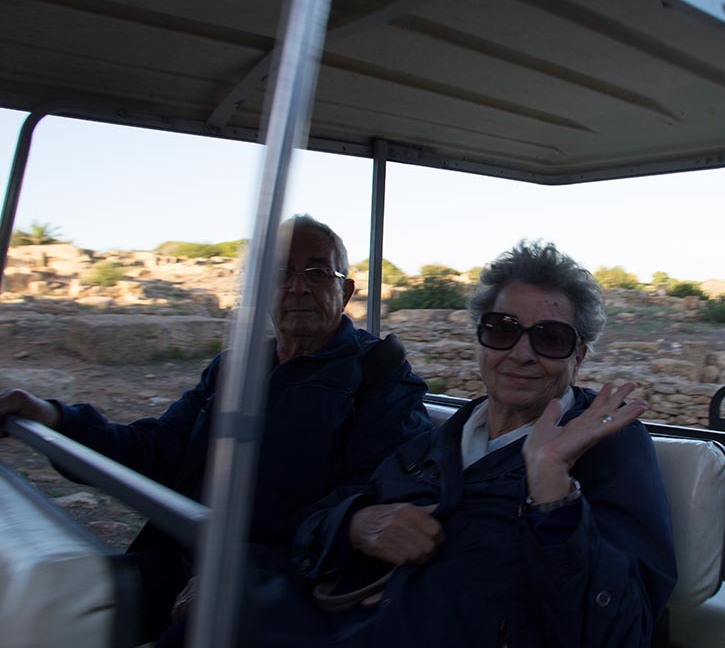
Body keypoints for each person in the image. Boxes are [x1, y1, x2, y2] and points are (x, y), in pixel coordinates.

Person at [0, 214, 434, 643]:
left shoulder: (379, 374)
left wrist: (246, 571)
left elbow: (380, 495)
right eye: (280, 274)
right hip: (186, 558)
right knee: (53, 602)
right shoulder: (232, 369)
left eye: (317, 272)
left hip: (287, 584)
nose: (297, 287)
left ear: (346, 291)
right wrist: (54, 418)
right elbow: (158, 449)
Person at [250, 240, 676, 647]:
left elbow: (622, 632)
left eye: (550, 338)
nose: (522, 353)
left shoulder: (607, 447)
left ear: (578, 355)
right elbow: (310, 525)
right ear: (481, 339)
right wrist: (356, 525)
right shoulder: (435, 445)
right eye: (502, 329)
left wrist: (553, 494)